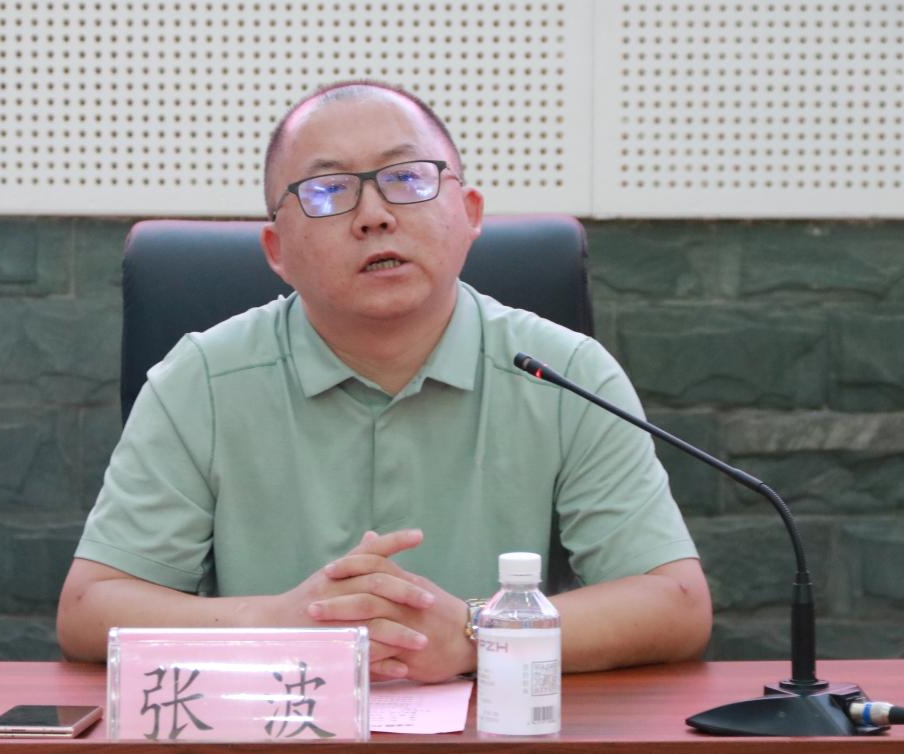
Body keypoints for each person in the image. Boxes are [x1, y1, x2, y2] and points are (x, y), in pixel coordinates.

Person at [57, 80, 712, 681]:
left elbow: (674, 602)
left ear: (471, 212)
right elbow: (91, 607)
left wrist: (478, 632)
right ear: (277, 251)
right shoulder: (200, 381)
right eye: (327, 191)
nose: (373, 215)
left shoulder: (566, 374)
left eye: (407, 178)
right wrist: (279, 622)